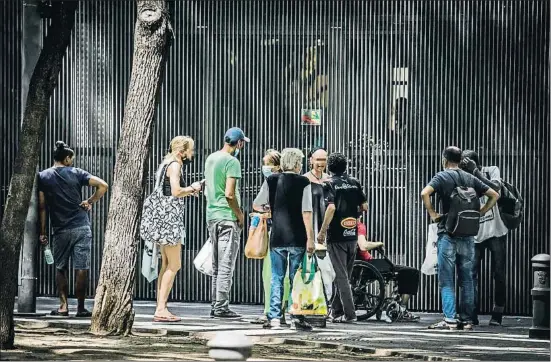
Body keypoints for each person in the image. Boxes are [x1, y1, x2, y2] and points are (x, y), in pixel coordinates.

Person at [421, 146, 499, 330]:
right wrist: (480, 212)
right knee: (467, 280)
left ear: (444, 159)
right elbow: (494, 195)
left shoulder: (442, 176)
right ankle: (467, 321)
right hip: (468, 235)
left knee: (447, 279)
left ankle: (450, 320)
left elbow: (425, 193)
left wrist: (433, 213)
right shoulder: (470, 177)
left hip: (448, 233)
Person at [38, 141, 109, 317]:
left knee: (60, 267)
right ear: (67, 158)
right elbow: (103, 185)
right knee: (81, 267)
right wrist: (90, 201)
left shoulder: (43, 176)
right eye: (72, 159)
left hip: (60, 229)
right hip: (81, 226)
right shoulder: (77, 173)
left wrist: (43, 232)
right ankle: (80, 308)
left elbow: (42, 206)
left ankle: (63, 307)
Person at [254, 148, 315, 330]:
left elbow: (256, 204)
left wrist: (270, 210)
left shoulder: (271, 180)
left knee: (276, 277)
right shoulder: (304, 182)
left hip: (277, 236)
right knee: (296, 278)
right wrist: (310, 238)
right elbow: (307, 212)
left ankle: (274, 317)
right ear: (296, 163)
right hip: (297, 237)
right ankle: (296, 317)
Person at [152, 136, 202, 322]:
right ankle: (161, 309)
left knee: (165, 264)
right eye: (190, 150)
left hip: (163, 219)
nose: (192, 154)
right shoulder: (175, 165)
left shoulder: (166, 163)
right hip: (170, 221)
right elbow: (175, 191)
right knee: (174, 264)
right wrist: (192, 187)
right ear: (182, 151)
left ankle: (160, 306)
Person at [204, 127, 249, 318]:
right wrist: (239, 215)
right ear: (238, 143)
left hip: (212, 216)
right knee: (225, 265)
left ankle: (216, 304)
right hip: (227, 217)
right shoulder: (232, 162)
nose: (243, 147)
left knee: (216, 265)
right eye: (243, 143)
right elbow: (230, 194)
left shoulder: (211, 158)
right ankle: (221, 307)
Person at [318, 152, 368, 323]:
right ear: (345, 166)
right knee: (345, 274)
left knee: (340, 276)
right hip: (352, 234)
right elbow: (364, 206)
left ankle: (350, 315)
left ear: (329, 167)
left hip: (336, 235)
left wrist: (322, 231)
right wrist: (353, 216)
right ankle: (337, 311)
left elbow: (330, 209)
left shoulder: (328, 184)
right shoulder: (355, 182)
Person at [460, 150, 508, 326]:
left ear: (477, 164)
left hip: (496, 231)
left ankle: (497, 313)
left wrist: (476, 172)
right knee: (471, 274)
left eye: (468, 165)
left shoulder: (491, 170)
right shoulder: (463, 178)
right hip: (475, 234)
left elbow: (496, 190)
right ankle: (471, 314)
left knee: (499, 272)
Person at [251, 149, 291, 325]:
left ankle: (271, 310)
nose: (264, 167)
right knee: (287, 274)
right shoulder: (293, 182)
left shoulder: (270, 182)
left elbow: (257, 205)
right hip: (292, 234)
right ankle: (283, 309)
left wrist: (267, 212)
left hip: (275, 233)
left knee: (271, 274)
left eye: (267, 163)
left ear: (277, 165)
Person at [356, 218, 420, 321]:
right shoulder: (359, 226)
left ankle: (397, 305)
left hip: (362, 265)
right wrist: (379, 243)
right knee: (411, 272)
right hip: (369, 265)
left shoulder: (345, 227)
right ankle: (402, 308)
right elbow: (363, 246)